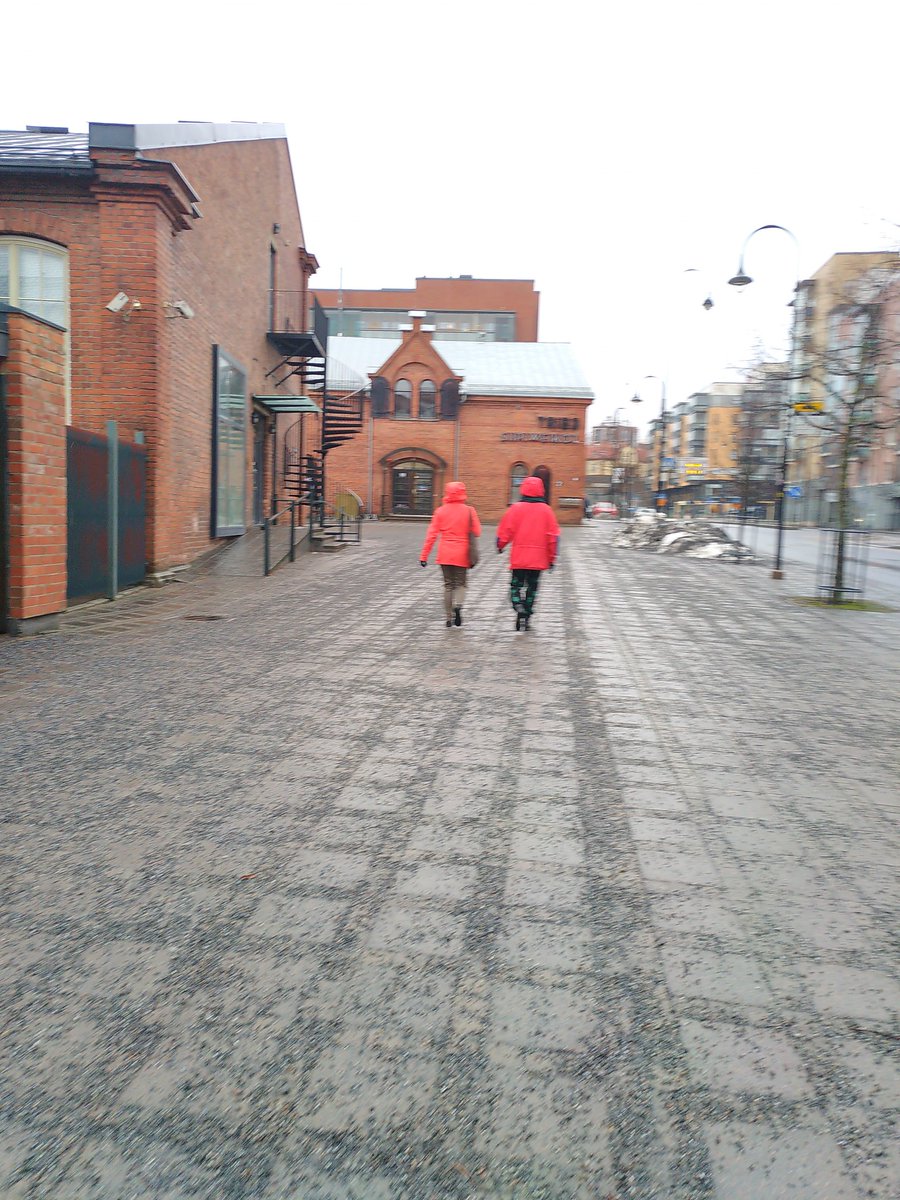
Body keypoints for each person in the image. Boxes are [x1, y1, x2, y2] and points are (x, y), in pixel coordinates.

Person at [496, 475, 560, 631]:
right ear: (541, 491)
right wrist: (551, 559)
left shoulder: (515, 508)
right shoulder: (547, 511)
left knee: (515, 585)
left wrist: (500, 544)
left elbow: (506, 530)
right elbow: (553, 538)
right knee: (532, 587)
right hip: (538, 559)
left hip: (519, 556)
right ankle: (527, 616)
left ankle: (518, 605)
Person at [420, 481, 482, 628]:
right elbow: (477, 531)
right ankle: (458, 606)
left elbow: (431, 535)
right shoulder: (469, 510)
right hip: (462, 553)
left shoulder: (440, 511)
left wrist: (424, 556)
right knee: (461, 583)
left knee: (448, 585)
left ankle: (448, 617)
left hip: (445, 553)